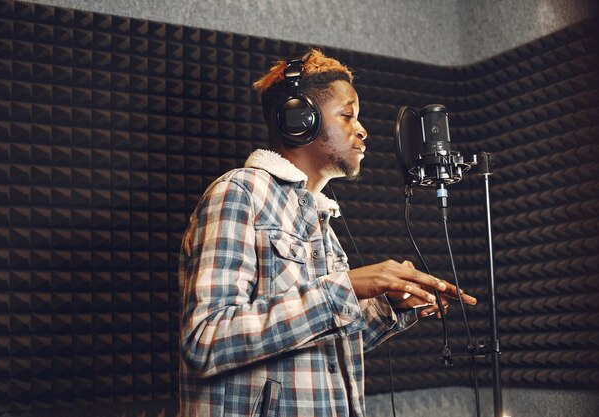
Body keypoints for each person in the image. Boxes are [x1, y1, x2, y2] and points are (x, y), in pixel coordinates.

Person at [179, 49, 477, 417]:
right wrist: (345, 289)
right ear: (300, 120)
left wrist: (390, 306)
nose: (362, 129)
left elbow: (323, 343)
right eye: (347, 115)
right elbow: (206, 341)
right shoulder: (239, 193)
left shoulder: (322, 219)